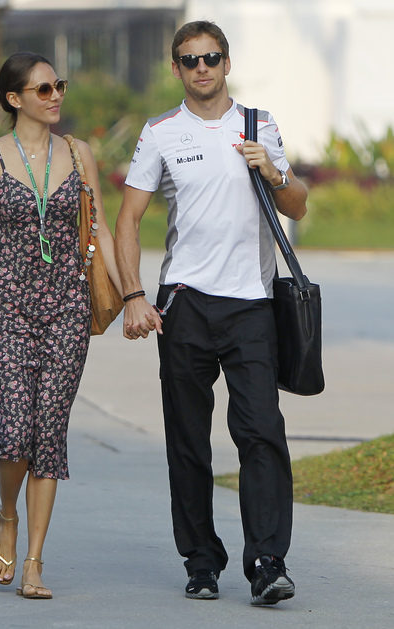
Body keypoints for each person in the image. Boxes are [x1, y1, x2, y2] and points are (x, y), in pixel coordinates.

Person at [115, 21, 307, 605]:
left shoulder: (258, 124)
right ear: (176, 67)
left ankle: (268, 561)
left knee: (261, 433)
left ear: (227, 62)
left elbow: (298, 201)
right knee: (189, 440)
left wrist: (273, 171)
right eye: (190, 59)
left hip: (252, 300)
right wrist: (133, 295)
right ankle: (201, 560)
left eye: (211, 57)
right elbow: (128, 221)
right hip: (183, 305)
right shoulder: (160, 133)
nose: (202, 68)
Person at [0, 51, 121, 599]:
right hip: (9, 305)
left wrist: (135, 295)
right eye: (44, 89)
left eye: (59, 86)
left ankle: (33, 562)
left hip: (68, 307)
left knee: (49, 429)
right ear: (14, 98)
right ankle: (8, 514)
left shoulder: (79, 154)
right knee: (14, 424)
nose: (56, 97)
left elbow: (100, 231)